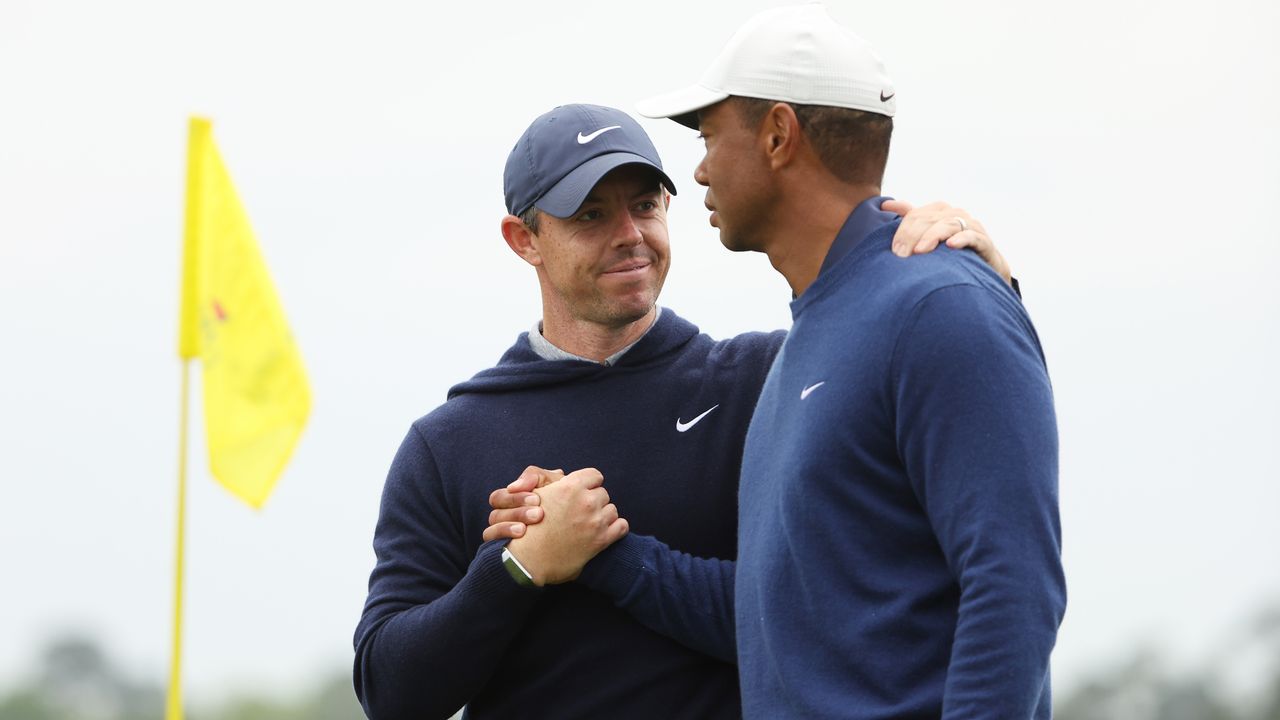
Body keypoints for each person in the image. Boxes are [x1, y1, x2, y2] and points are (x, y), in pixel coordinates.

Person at [491, 5, 1066, 719]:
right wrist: (604, 551)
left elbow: (1013, 586)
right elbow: (779, 616)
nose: (697, 169)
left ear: (776, 135)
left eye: (707, 136)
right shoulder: (819, 334)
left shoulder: (940, 304)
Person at [354, 101, 1013, 719]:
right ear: (523, 239)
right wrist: (517, 568)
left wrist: (984, 282)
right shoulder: (450, 444)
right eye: (590, 215)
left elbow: (825, 615)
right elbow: (393, 692)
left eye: (645, 206)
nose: (629, 236)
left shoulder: (769, 381)